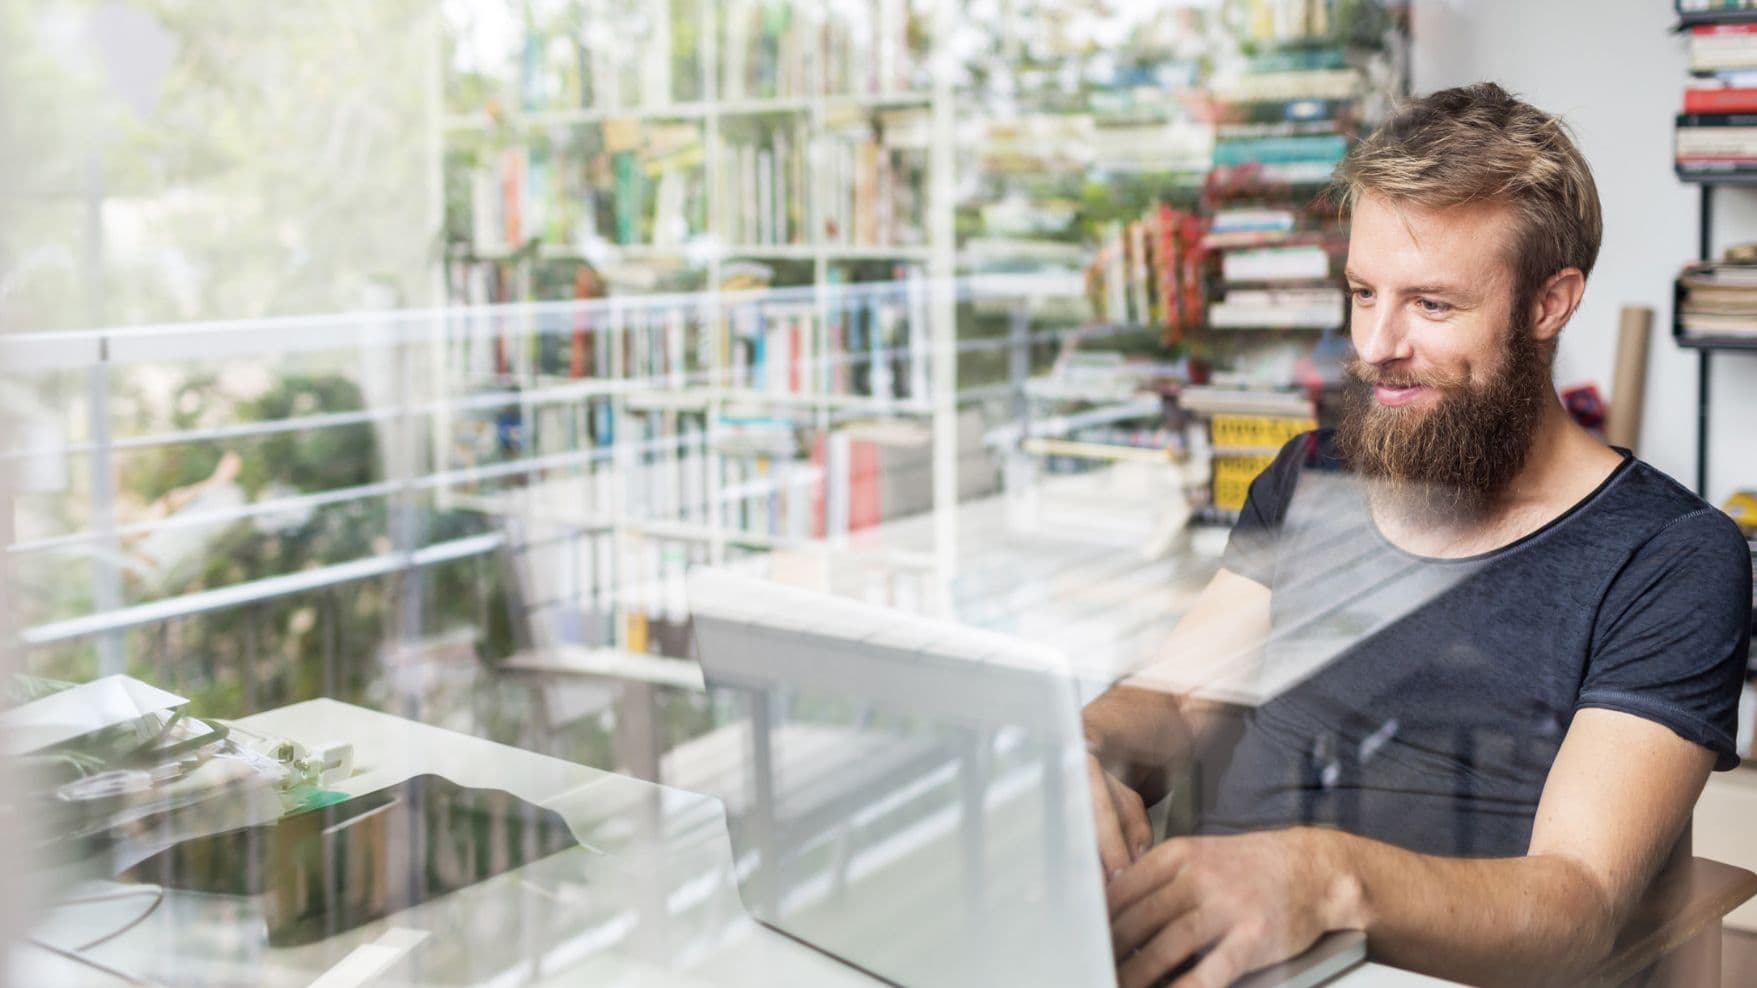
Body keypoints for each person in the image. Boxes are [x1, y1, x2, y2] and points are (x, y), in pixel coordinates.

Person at [1081, 82, 1753, 988]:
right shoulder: (1311, 474)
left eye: (1431, 306)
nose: (1376, 343)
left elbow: (1574, 905)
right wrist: (1081, 750)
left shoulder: (1671, 556)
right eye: (1362, 292)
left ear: (1549, 304)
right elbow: (1170, 705)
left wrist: (1323, 879)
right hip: (1211, 958)